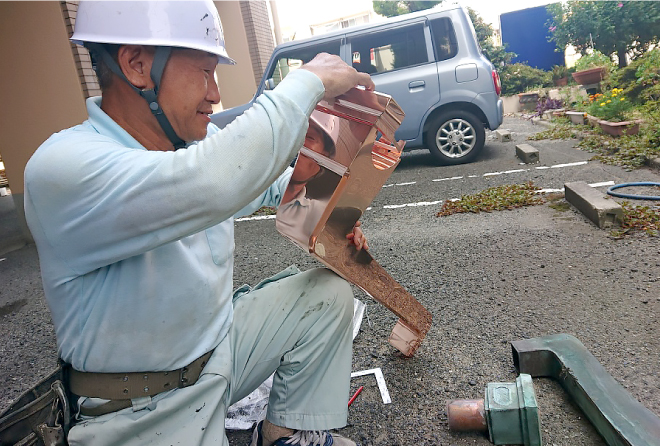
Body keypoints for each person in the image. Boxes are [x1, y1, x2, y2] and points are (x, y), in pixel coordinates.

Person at [22, 1, 374, 445]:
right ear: (136, 65)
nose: (215, 93)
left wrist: (326, 212)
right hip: (142, 410)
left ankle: (284, 434)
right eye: (205, 71)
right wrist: (309, 82)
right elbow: (218, 179)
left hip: (219, 355)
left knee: (327, 296)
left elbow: (262, 183)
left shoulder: (186, 148)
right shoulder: (64, 168)